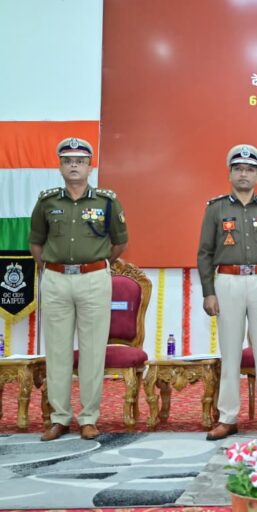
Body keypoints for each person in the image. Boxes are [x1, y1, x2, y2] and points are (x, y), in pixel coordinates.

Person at [29, 137, 128, 441]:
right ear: (60, 166)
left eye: (80, 161)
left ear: (90, 166)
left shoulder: (106, 202)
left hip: (93, 279)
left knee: (93, 351)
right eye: (68, 161)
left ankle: (88, 417)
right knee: (57, 351)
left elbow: (119, 242)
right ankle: (59, 418)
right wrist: (51, 269)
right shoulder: (47, 202)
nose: (74, 166)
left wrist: (94, 265)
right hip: (56, 280)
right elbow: (36, 242)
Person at [197, 144, 257, 440]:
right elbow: (205, 253)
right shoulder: (216, 208)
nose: (244, 174)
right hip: (228, 282)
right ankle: (227, 417)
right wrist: (209, 292)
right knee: (230, 353)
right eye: (238, 169)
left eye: (249, 170)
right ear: (230, 174)